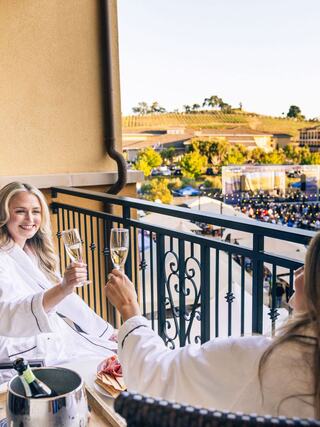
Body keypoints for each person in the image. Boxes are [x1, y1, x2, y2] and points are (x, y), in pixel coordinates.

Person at [105, 236, 320, 419]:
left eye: (307, 266)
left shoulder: (261, 360)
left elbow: (157, 378)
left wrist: (129, 308)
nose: (297, 274)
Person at [0, 182, 117, 383]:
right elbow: (7, 314)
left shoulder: (33, 251)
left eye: (35, 211)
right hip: (20, 352)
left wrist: (105, 331)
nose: (30, 219)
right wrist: (63, 287)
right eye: (20, 211)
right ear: (3, 215)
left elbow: (65, 299)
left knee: (115, 356)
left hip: (48, 340)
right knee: (102, 370)